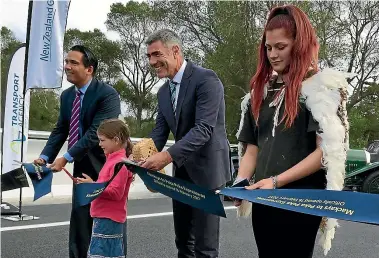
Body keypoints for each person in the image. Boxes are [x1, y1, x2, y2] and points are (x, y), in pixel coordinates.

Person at [234, 5, 349, 258]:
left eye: (281, 47)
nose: (273, 54)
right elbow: (253, 147)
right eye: (268, 47)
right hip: (264, 199)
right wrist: (241, 182)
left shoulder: (321, 90)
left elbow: (325, 153)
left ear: (299, 45)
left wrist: (276, 182)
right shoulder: (259, 95)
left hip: (301, 200)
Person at [142, 29, 231, 258]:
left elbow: (203, 129)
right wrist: (137, 158)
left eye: (156, 54)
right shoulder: (163, 92)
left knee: (205, 247)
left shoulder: (206, 79)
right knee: (183, 243)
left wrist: (165, 157)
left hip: (208, 173)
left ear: (175, 51)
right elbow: (159, 134)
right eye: (149, 56)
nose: (152, 62)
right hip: (181, 174)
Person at [33, 45, 121, 258]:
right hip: (81, 165)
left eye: (73, 63)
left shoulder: (107, 95)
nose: (67, 67)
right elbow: (60, 129)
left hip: (105, 166)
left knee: (106, 222)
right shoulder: (66, 96)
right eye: (66, 62)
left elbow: (95, 133)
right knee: (80, 219)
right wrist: (45, 156)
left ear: (89, 69)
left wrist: (66, 157)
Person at [76, 119, 134, 258]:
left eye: (102, 140)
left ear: (116, 140)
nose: (100, 144)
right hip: (105, 217)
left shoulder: (120, 164)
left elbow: (116, 193)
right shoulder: (113, 161)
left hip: (108, 218)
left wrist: (92, 186)